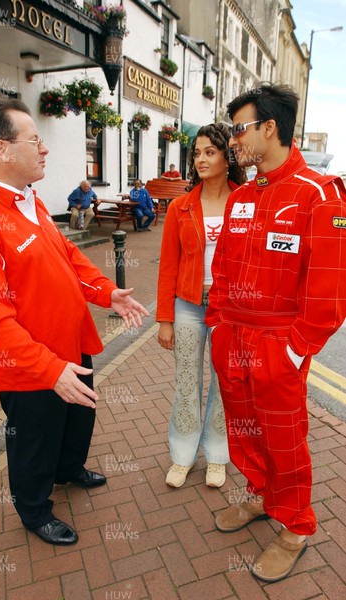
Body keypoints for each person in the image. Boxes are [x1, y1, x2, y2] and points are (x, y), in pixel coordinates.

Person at [0, 98, 149, 547]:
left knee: (77, 421)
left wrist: (106, 292)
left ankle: (68, 470)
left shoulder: (32, 201)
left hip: (72, 345)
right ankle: (34, 508)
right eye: (34, 140)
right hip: (31, 367)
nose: (44, 149)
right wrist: (48, 369)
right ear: (2, 149)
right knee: (33, 442)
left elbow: (70, 257)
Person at [205, 83, 346, 583]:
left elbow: (329, 295)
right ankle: (262, 499)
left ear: (270, 128)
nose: (233, 139)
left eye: (239, 128)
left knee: (284, 441)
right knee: (244, 432)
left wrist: (292, 350)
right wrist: (219, 326)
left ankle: (296, 527)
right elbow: (221, 271)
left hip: (277, 345)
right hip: (234, 340)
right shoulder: (243, 196)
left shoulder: (319, 194)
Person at [156, 123, 246, 488]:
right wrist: (165, 319)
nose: (201, 159)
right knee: (186, 382)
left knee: (225, 384)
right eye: (197, 153)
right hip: (189, 305)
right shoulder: (180, 207)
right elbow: (167, 266)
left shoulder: (245, 202)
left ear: (227, 157)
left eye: (210, 152)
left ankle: (217, 455)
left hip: (229, 308)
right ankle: (182, 455)